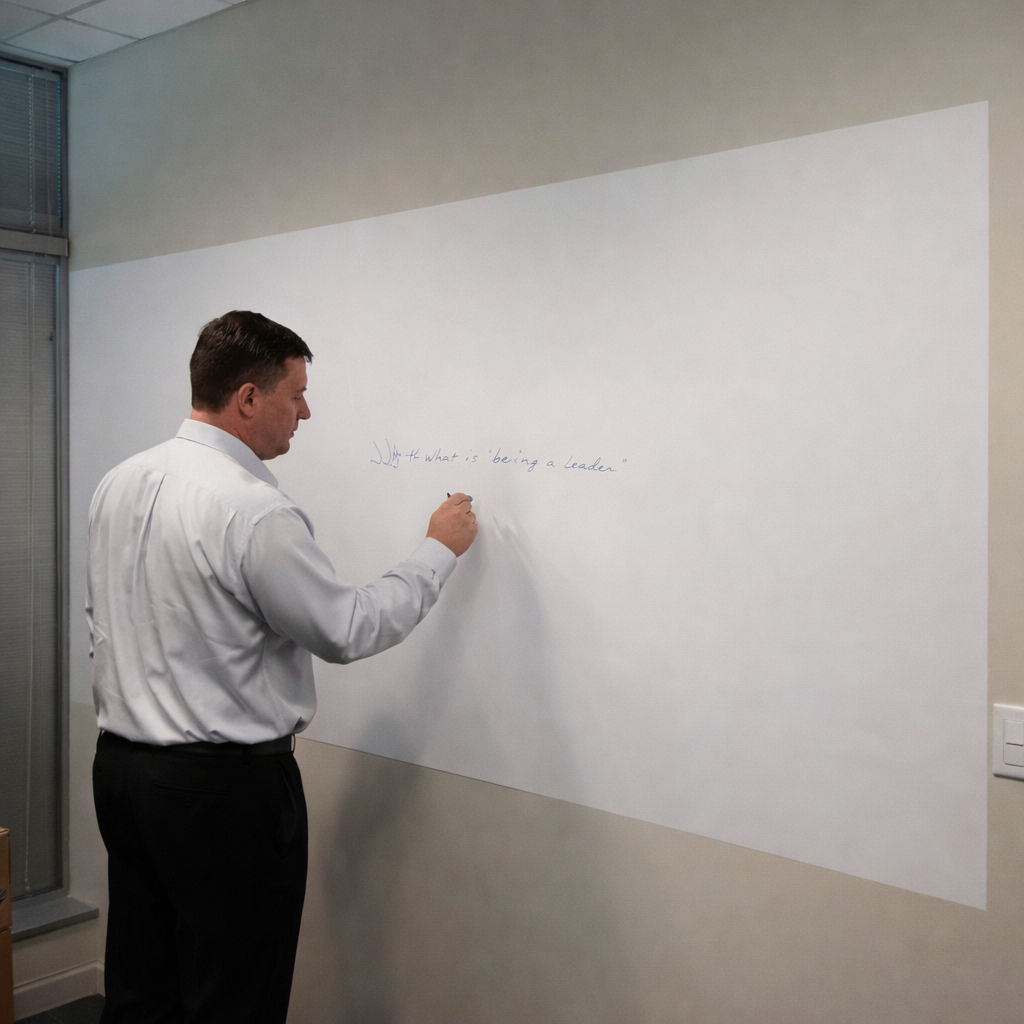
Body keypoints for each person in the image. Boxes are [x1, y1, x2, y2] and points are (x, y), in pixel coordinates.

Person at [87, 310, 477, 1024]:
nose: (306, 411)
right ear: (247, 398)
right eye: (295, 394)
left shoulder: (119, 481)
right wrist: (437, 551)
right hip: (221, 796)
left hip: (122, 775)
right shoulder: (253, 511)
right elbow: (345, 629)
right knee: (235, 998)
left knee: (143, 986)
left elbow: (106, 619)